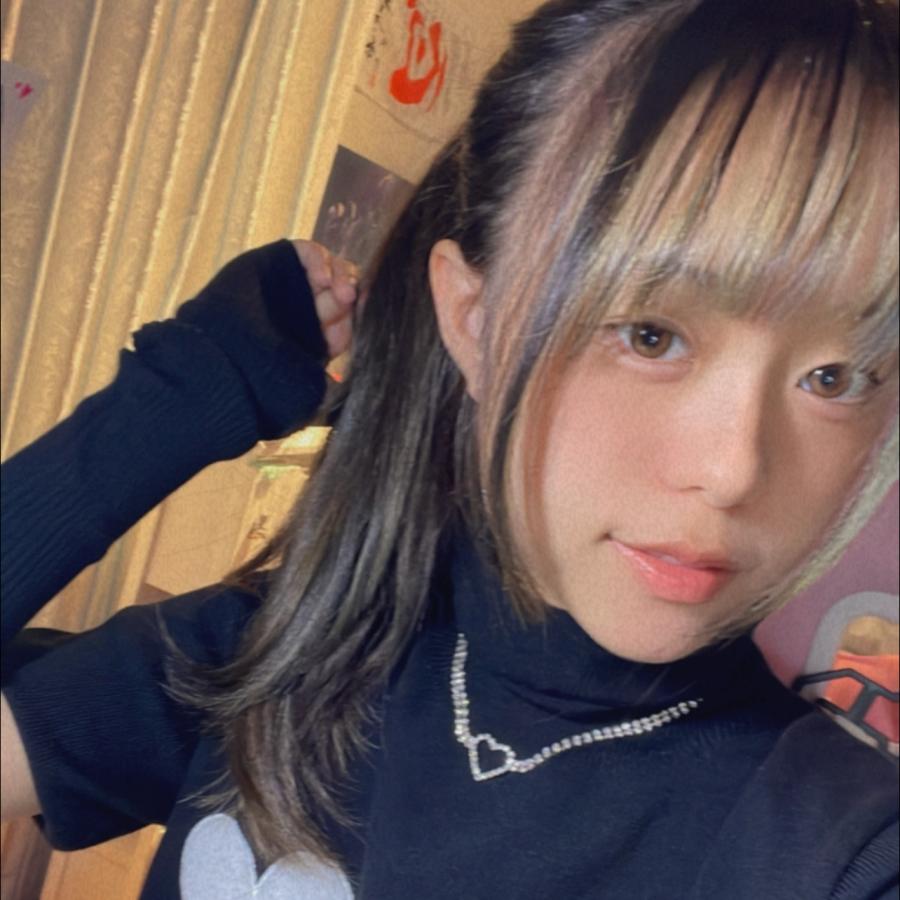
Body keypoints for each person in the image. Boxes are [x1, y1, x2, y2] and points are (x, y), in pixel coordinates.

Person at [2, 0, 899, 896]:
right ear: (473, 320)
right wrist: (180, 396)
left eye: (838, 376)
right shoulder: (277, 657)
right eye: (651, 334)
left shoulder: (836, 846)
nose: (734, 471)